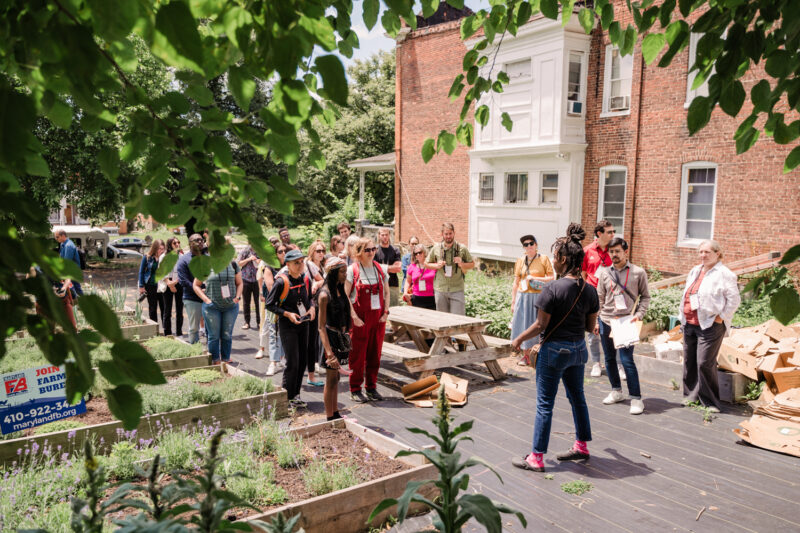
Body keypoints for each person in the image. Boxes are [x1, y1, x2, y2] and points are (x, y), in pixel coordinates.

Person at [511, 224, 599, 473]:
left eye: (555, 257)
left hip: (554, 352)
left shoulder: (552, 289)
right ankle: (581, 446)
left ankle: (536, 458)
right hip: (578, 350)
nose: (553, 261)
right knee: (578, 398)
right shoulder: (590, 290)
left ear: (562, 259)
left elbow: (540, 325)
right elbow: (589, 326)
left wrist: (518, 340)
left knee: (545, 404)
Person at [679, 240, 740, 413]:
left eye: (707, 252)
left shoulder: (724, 273)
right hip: (690, 322)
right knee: (689, 361)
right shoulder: (695, 270)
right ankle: (691, 396)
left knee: (704, 362)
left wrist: (721, 317)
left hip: (710, 324)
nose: (703, 255)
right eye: (701, 252)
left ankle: (711, 402)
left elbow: (734, 300)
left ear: (718, 253)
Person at [595, 237, 651, 415]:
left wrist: (639, 315)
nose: (614, 255)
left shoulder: (638, 272)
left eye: (617, 251)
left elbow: (646, 296)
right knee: (609, 359)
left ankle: (636, 398)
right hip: (606, 320)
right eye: (611, 252)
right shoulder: (604, 272)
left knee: (627, 361)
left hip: (626, 322)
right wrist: (597, 319)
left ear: (625, 252)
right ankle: (616, 391)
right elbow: (599, 298)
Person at [266, 249, 314, 406]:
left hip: (304, 324)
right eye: (296, 263)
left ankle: (296, 395)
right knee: (292, 361)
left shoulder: (305, 279)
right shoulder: (281, 282)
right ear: (287, 264)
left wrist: (312, 308)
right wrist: (287, 314)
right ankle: (286, 397)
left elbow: (310, 299)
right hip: (288, 326)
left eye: (302, 262)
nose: (300, 265)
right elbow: (270, 304)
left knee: (302, 361)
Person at [345, 237, 390, 403]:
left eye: (373, 249)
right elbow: (345, 295)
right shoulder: (353, 270)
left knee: (375, 354)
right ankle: (355, 388)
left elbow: (386, 292)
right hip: (360, 319)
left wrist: (386, 312)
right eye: (367, 250)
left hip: (378, 318)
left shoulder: (380, 269)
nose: (371, 253)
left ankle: (371, 387)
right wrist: (354, 317)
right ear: (359, 253)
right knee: (357, 354)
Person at [510, 235, 555, 365]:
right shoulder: (520, 260)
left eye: (531, 243)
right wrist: (513, 301)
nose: (529, 246)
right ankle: (526, 356)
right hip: (523, 296)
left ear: (536, 245)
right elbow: (515, 282)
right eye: (526, 244)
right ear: (523, 247)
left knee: (538, 324)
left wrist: (535, 277)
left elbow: (551, 278)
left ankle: (537, 354)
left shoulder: (543, 259)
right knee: (523, 324)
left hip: (538, 296)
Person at [318, 257, 351, 421]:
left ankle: (336, 411)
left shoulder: (340, 289)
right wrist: (329, 353)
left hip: (339, 337)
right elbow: (321, 326)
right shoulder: (325, 295)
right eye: (343, 271)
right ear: (333, 273)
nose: (346, 274)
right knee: (330, 379)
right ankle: (330, 417)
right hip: (329, 340)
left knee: (336, 377)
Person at [193, 257, 243, 364]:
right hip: (212, 307)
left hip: (230, 306)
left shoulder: (233, 264)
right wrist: (206, 300)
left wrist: (238, 297)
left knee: (227, 334)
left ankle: (225, 358)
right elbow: (196, 285)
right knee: (213, 336)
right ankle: (215, 360)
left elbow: (239, 283)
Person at [582, 219, 615, 378]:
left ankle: (616, 364)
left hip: (611, 295)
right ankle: (596, 363)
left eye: (613, 231)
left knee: (612, 329)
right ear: (599, 233)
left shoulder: (615, 249)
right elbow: (583, 274)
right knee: (592, 330)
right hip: (592, 294)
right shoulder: (587, 251)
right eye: (609, 232)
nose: (613, 234)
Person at [425, 223, 474, 315]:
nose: (448, 236)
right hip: (441, 289)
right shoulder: (436, 248)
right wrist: (436, 266)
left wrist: (462, 264)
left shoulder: (462, 248)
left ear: (454, 233)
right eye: (446, 234)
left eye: (450, 233)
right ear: (442, 234)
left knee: (458, 320)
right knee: (443, 320)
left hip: (457, 289)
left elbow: (472, 264)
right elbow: (426, 263)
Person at [258, 245, 288, 375]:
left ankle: (281, 358)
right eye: (280, 251)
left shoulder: (288, 267)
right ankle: (273, 362)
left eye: (285, 251)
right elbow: (271, 289)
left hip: (287, 307)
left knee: (284, 333)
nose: (283, 253)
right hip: (274, 306)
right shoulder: (269, 268)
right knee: (273, 334)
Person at [305, 240, 327, 387]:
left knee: (318, 334)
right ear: (312, 252)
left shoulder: (322, 266)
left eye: (322, 251)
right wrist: (320, 282)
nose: (321, 253)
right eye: (318, 251)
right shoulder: (310, 265)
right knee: (312, 336)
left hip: (321, 302)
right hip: (312, 303)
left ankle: (315, 366)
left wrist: (319, 283)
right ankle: (311, 369)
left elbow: (325, 281)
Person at [177, 234, 205, 344]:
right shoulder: (184, 260)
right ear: (190, 244)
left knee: (211, 327)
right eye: (197, 240)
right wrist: (198, 290)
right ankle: (195, 350)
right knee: (194, 328)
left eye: (201, 240)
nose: (200, 242)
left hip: (209, 296)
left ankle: (212, 352)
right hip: (192, 298)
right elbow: (183, 281)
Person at [138, 239, 165, 329]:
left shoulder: (165, 258)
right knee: (153, 308)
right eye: (159, 248)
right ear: (154, 248)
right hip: (150, 285)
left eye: (163, 248)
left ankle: (165, 330)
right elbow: (141, 272)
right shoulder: (147, 257)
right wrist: (141, 286)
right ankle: (154, 329)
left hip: (162, 286)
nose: (161, 251)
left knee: (164, 308)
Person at [161, 237, 184, 337]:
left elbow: (183, 270)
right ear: (170, 244)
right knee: (167, 310)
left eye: (178, 242)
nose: (177, 244)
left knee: (180, 310)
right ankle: (168, 333)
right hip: (167, 282)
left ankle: (179, 332)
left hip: (179, 282)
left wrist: (177, 282)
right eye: (175, 243)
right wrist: (169, 284)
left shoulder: (181, 255)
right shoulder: (164, 256)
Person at [375, 228, 403, 307]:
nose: (384, 237)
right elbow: (374, 268)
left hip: (392, 285)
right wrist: (391, 268)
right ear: (379, 236)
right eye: (382, 235)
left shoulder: (395, 250)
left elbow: (397, 268)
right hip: (379, 284)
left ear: (389, 235)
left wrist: (381, 267)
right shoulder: (374, 250)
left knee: (393, 310)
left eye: (386, 235)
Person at [403, 244, 436, 310]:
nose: (418, 255)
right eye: (416, 253)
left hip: (431, 298)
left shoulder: (433, 266)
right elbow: (408, 281)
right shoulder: (412, 267)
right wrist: (405, 292)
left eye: (420, 252)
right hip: (416, 298)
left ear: (425, 253)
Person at [237, 244, 260, 330]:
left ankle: (259, 322)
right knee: (246, 302)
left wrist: (258, 261)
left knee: (258, 302)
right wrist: (249, 259)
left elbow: (263, 263)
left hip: (257, 279)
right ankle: (247, 322)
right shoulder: (245, 251)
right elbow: (238, 263)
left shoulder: (260, 251)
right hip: (246, 279)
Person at [54, 229, 83, 296]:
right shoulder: (63, 244)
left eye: (57, 237)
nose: (56, 239)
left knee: (76, 288)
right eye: (55, 237)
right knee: (71, 289)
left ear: (63, 236)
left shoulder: (68, 246)